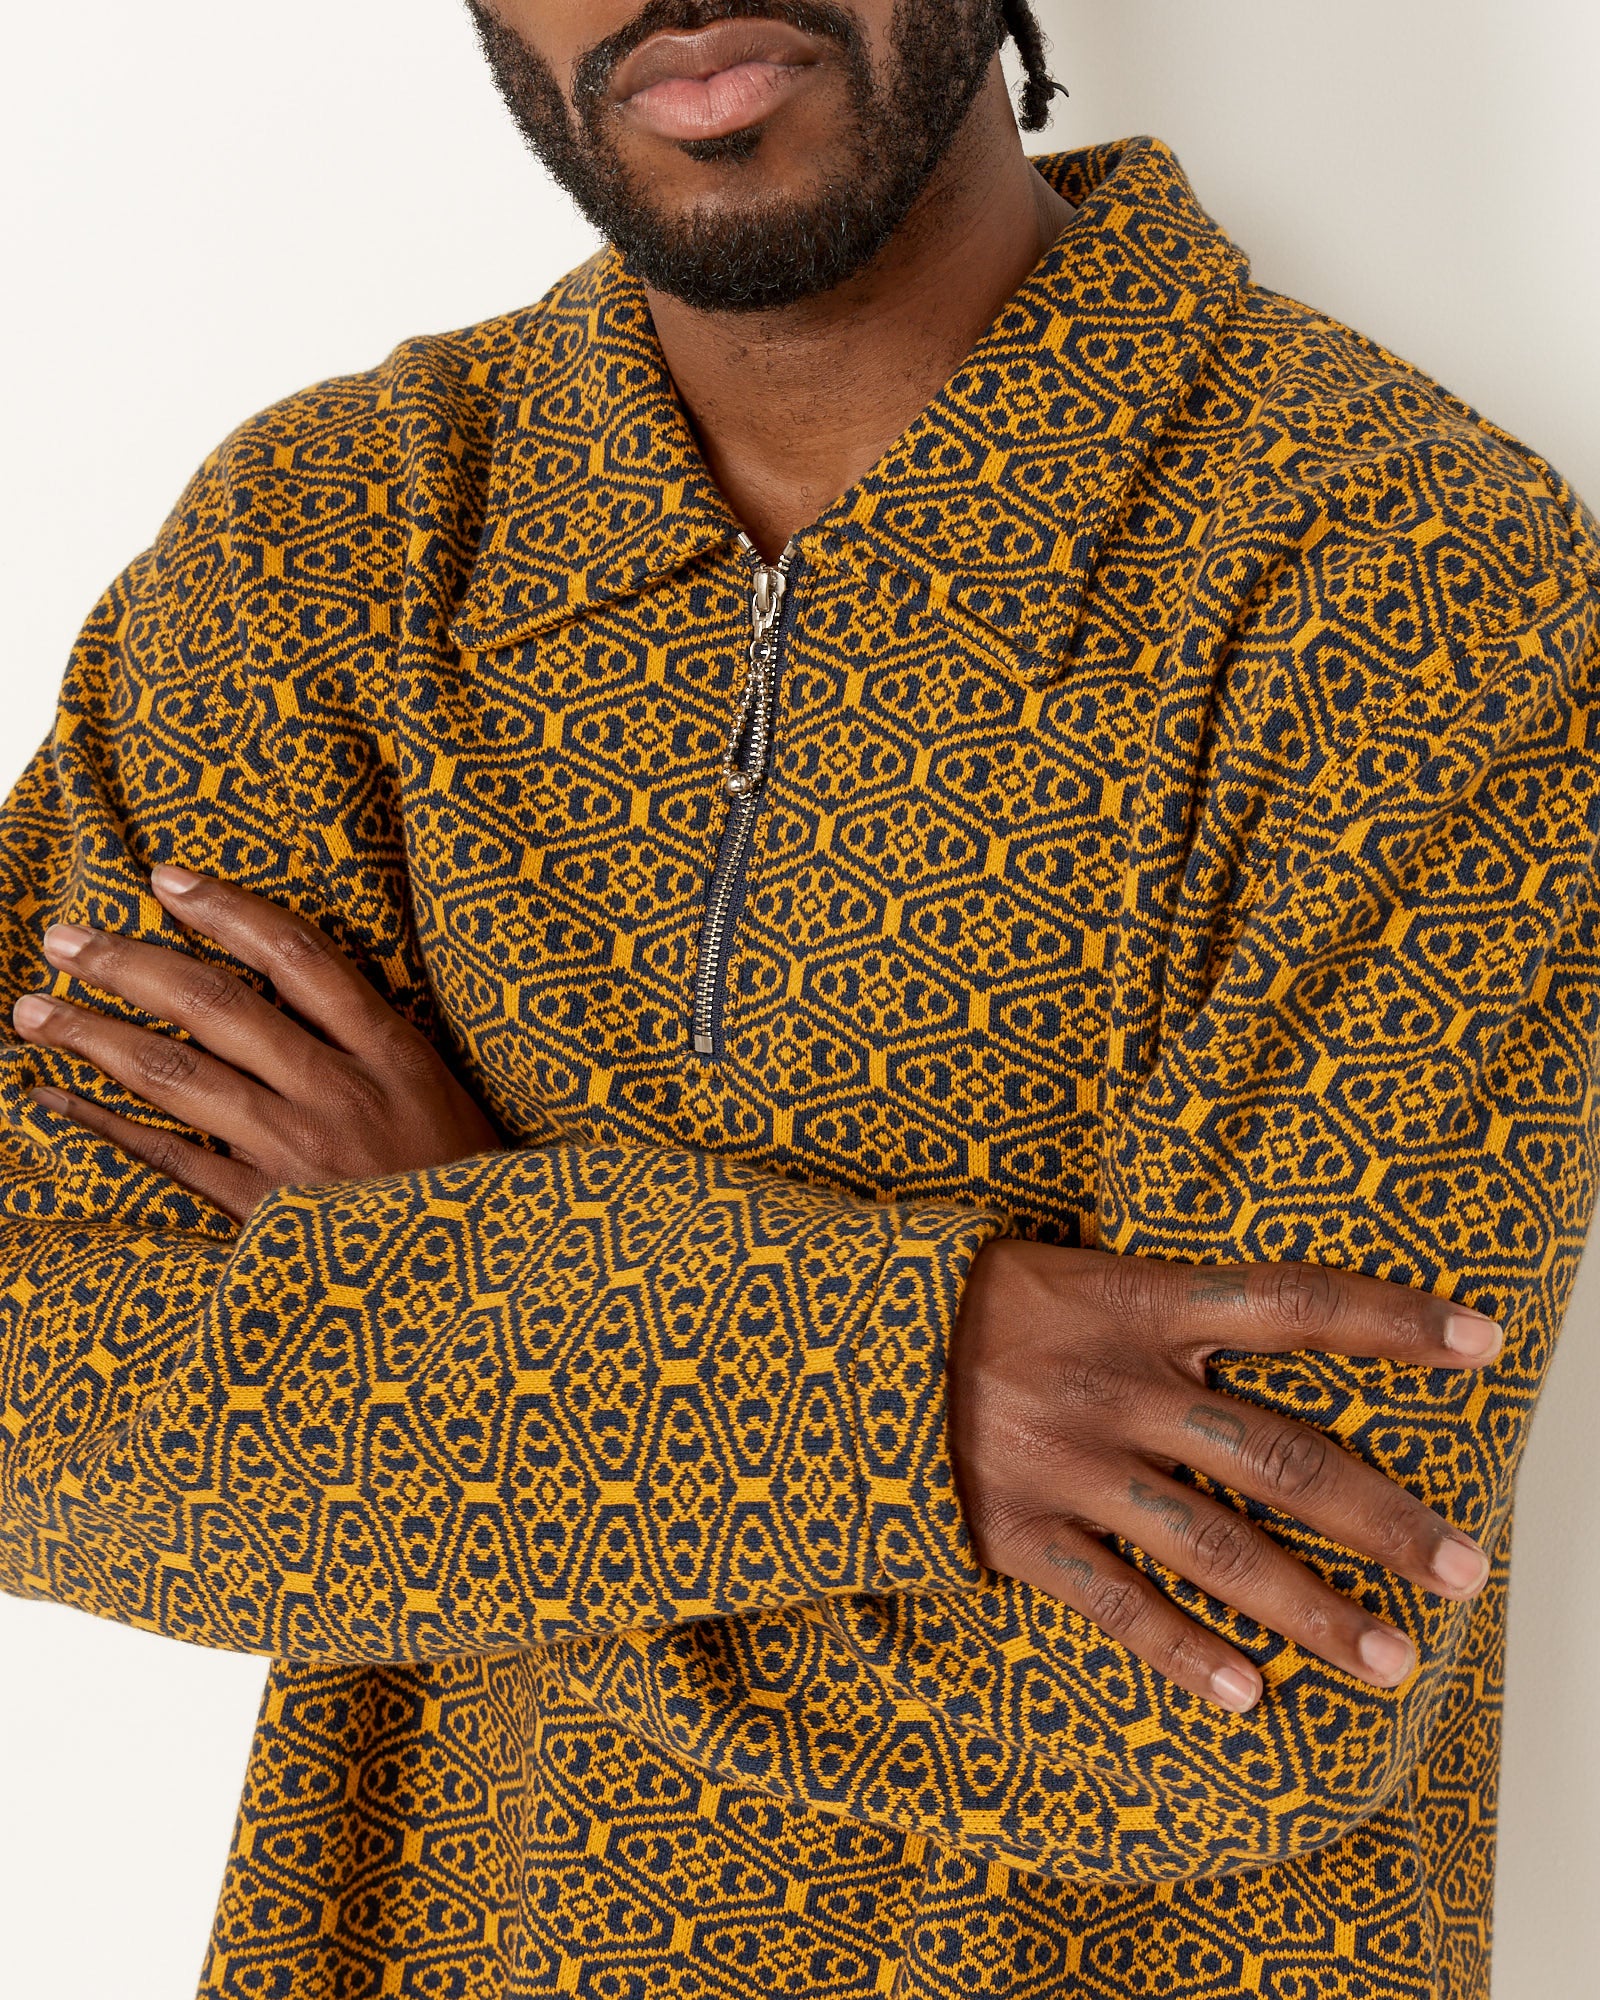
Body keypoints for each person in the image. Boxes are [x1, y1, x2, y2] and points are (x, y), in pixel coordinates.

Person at [1, 2, 1594, 1995]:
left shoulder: (1402, 576)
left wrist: (428, 1268)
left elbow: (1240, 1704)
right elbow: (36, 1383)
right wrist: (894, 1383)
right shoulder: (324, 549)